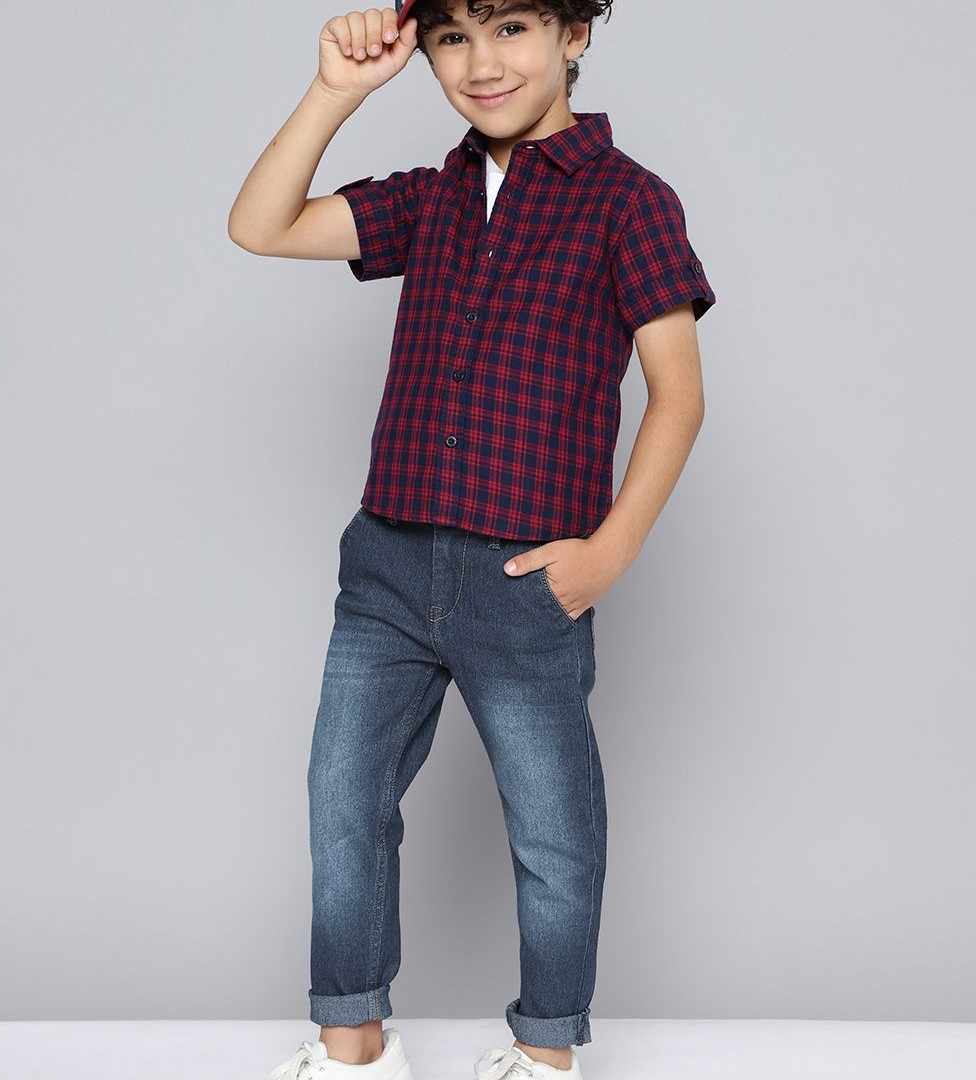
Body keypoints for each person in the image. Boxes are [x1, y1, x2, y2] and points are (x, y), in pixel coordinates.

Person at [228, 1, 715, 1076]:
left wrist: (608, 553)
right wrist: (337, 93)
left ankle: (545, 1053)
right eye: (452, 37)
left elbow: (677, 396)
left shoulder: (629, 201)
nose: (482, 62)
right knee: (344, 801)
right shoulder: (433, 197)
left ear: (574, 34)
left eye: (512, 28)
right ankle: (352, 1045)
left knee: (552, 832)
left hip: (524, 578)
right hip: (388, 566)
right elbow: (261, 225)